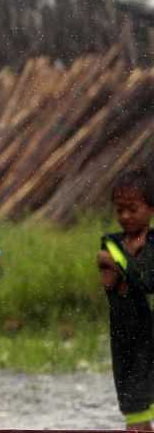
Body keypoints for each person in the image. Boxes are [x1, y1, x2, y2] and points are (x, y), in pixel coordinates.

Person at [96, 168, 154, 431]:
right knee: (132, 401)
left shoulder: (151, 243)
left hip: (149, 333)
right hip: (123, 333)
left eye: (132, 209)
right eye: (120, 210)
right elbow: (109, 284)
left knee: (141, 401)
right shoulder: (111, 242)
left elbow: (146, 282)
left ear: (151, 209)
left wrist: (118, 263)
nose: (125, 216)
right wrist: (122, 267)